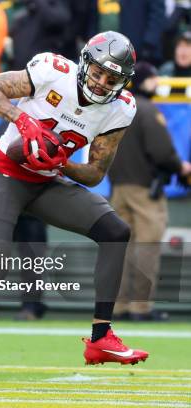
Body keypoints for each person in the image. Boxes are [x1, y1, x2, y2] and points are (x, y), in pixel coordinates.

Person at [0, 31, 150, 383]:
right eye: (97, 73)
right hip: (7, 172)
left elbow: (95, 173)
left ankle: (100, 338)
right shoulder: (52, 71)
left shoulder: (121, 107)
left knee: (115, 231)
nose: (101, 83)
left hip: (47, 180)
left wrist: (59, 159)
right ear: (84, 64)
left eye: (112, 79)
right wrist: (23, 121)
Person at [109, 61, 191, 321]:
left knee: (121, 250)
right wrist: (181, 167)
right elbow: (162, 152)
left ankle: (118, 307)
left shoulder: (117, 110)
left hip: (118, 187)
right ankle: (141, 308)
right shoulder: (147, 111)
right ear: (146, 81)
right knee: (147, 247)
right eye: (154, 78)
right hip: (144, 190)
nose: (157, 83)